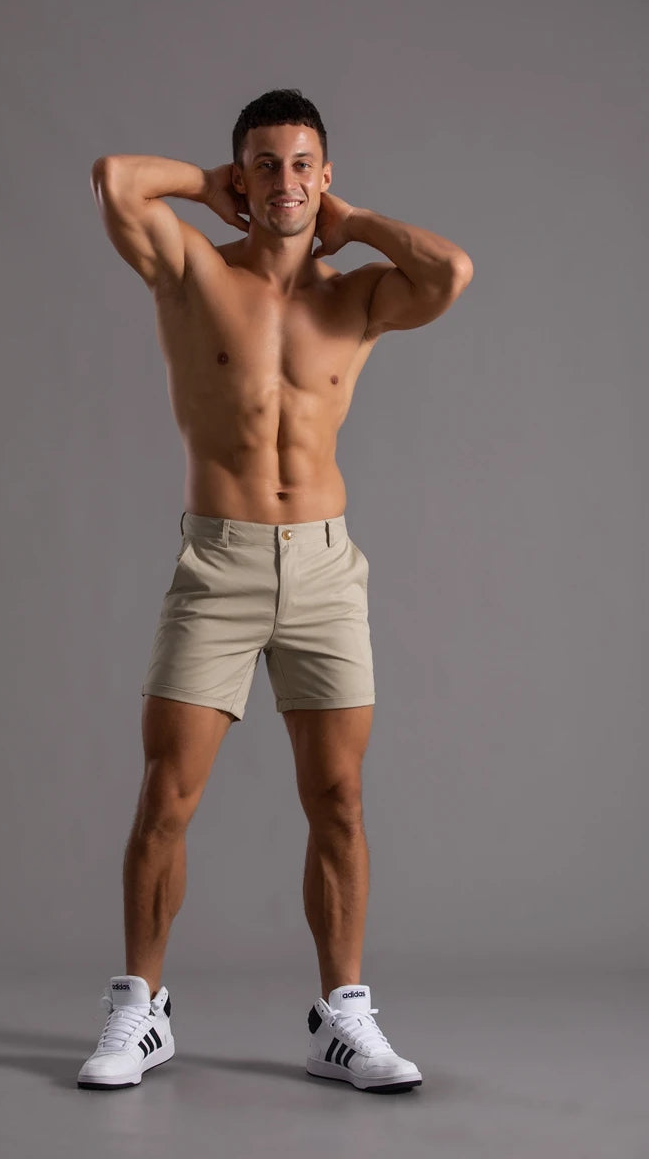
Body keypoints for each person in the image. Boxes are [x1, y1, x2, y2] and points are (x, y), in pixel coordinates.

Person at [77, 88, 473, 1094]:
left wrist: (358, 222)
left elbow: (451, 273)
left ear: (324, 176)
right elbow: (116, 182)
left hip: (326, 570)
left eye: (301, 164)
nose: (284, 182)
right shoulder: (194, 272)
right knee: (167, 794)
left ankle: (342, 1020)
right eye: (263, 163)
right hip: (218, 565)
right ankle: (139, 1010)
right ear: (240, 176)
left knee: (337, 797)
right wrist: (201, 186)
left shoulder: (358, 297)